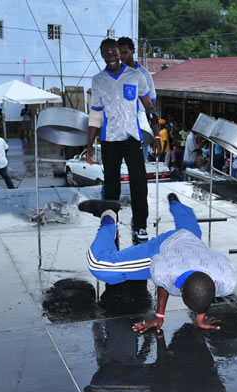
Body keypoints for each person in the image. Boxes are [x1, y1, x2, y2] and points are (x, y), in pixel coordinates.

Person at [78, 194, 237, 332]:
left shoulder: (227, 279)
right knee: (100, 265)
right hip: (167, 246)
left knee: (189, 228)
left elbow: (204, 292)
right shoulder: (166, 269)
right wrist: (159, 316)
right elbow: (163, 282)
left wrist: (200, 317)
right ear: (180, 289)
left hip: (192, 242)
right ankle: (109, 214)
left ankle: (175, 203)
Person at [87, 38, 159, 242]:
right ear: (102, 55)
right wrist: (90, 144)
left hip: (132, 138)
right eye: (106, 54)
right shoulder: (98, 80)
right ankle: (110, 224)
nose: (111, 57)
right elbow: (95, 115)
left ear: (120, 53)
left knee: (139, 183)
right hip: (109, 140)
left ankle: (141, 226)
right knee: (111, 186)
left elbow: (149, 107)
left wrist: (155, 134)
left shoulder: (136, 76)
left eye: (114, 53)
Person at [118, 36, 157, 161]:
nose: (122, 57)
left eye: (125, 52)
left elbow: (151, 106)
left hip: (140, 128)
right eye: (119, 54)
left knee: (138, 168)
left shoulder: (144, 75)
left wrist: (156, 135)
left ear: (133, 51)